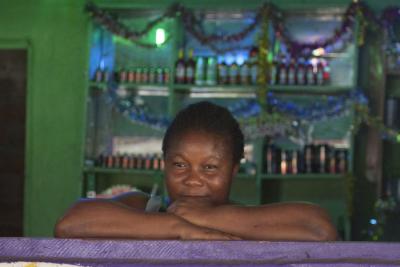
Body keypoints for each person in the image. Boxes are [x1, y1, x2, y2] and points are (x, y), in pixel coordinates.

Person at [54, 101, 338, 241]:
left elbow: (319, 228)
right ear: (164, 164)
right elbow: (70, 223)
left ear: (233, 170)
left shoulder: (247, 221)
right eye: (179, 165)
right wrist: (179, 228)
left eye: (210, 168)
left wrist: (210, 218)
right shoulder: (147, 209)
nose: (192, 179)